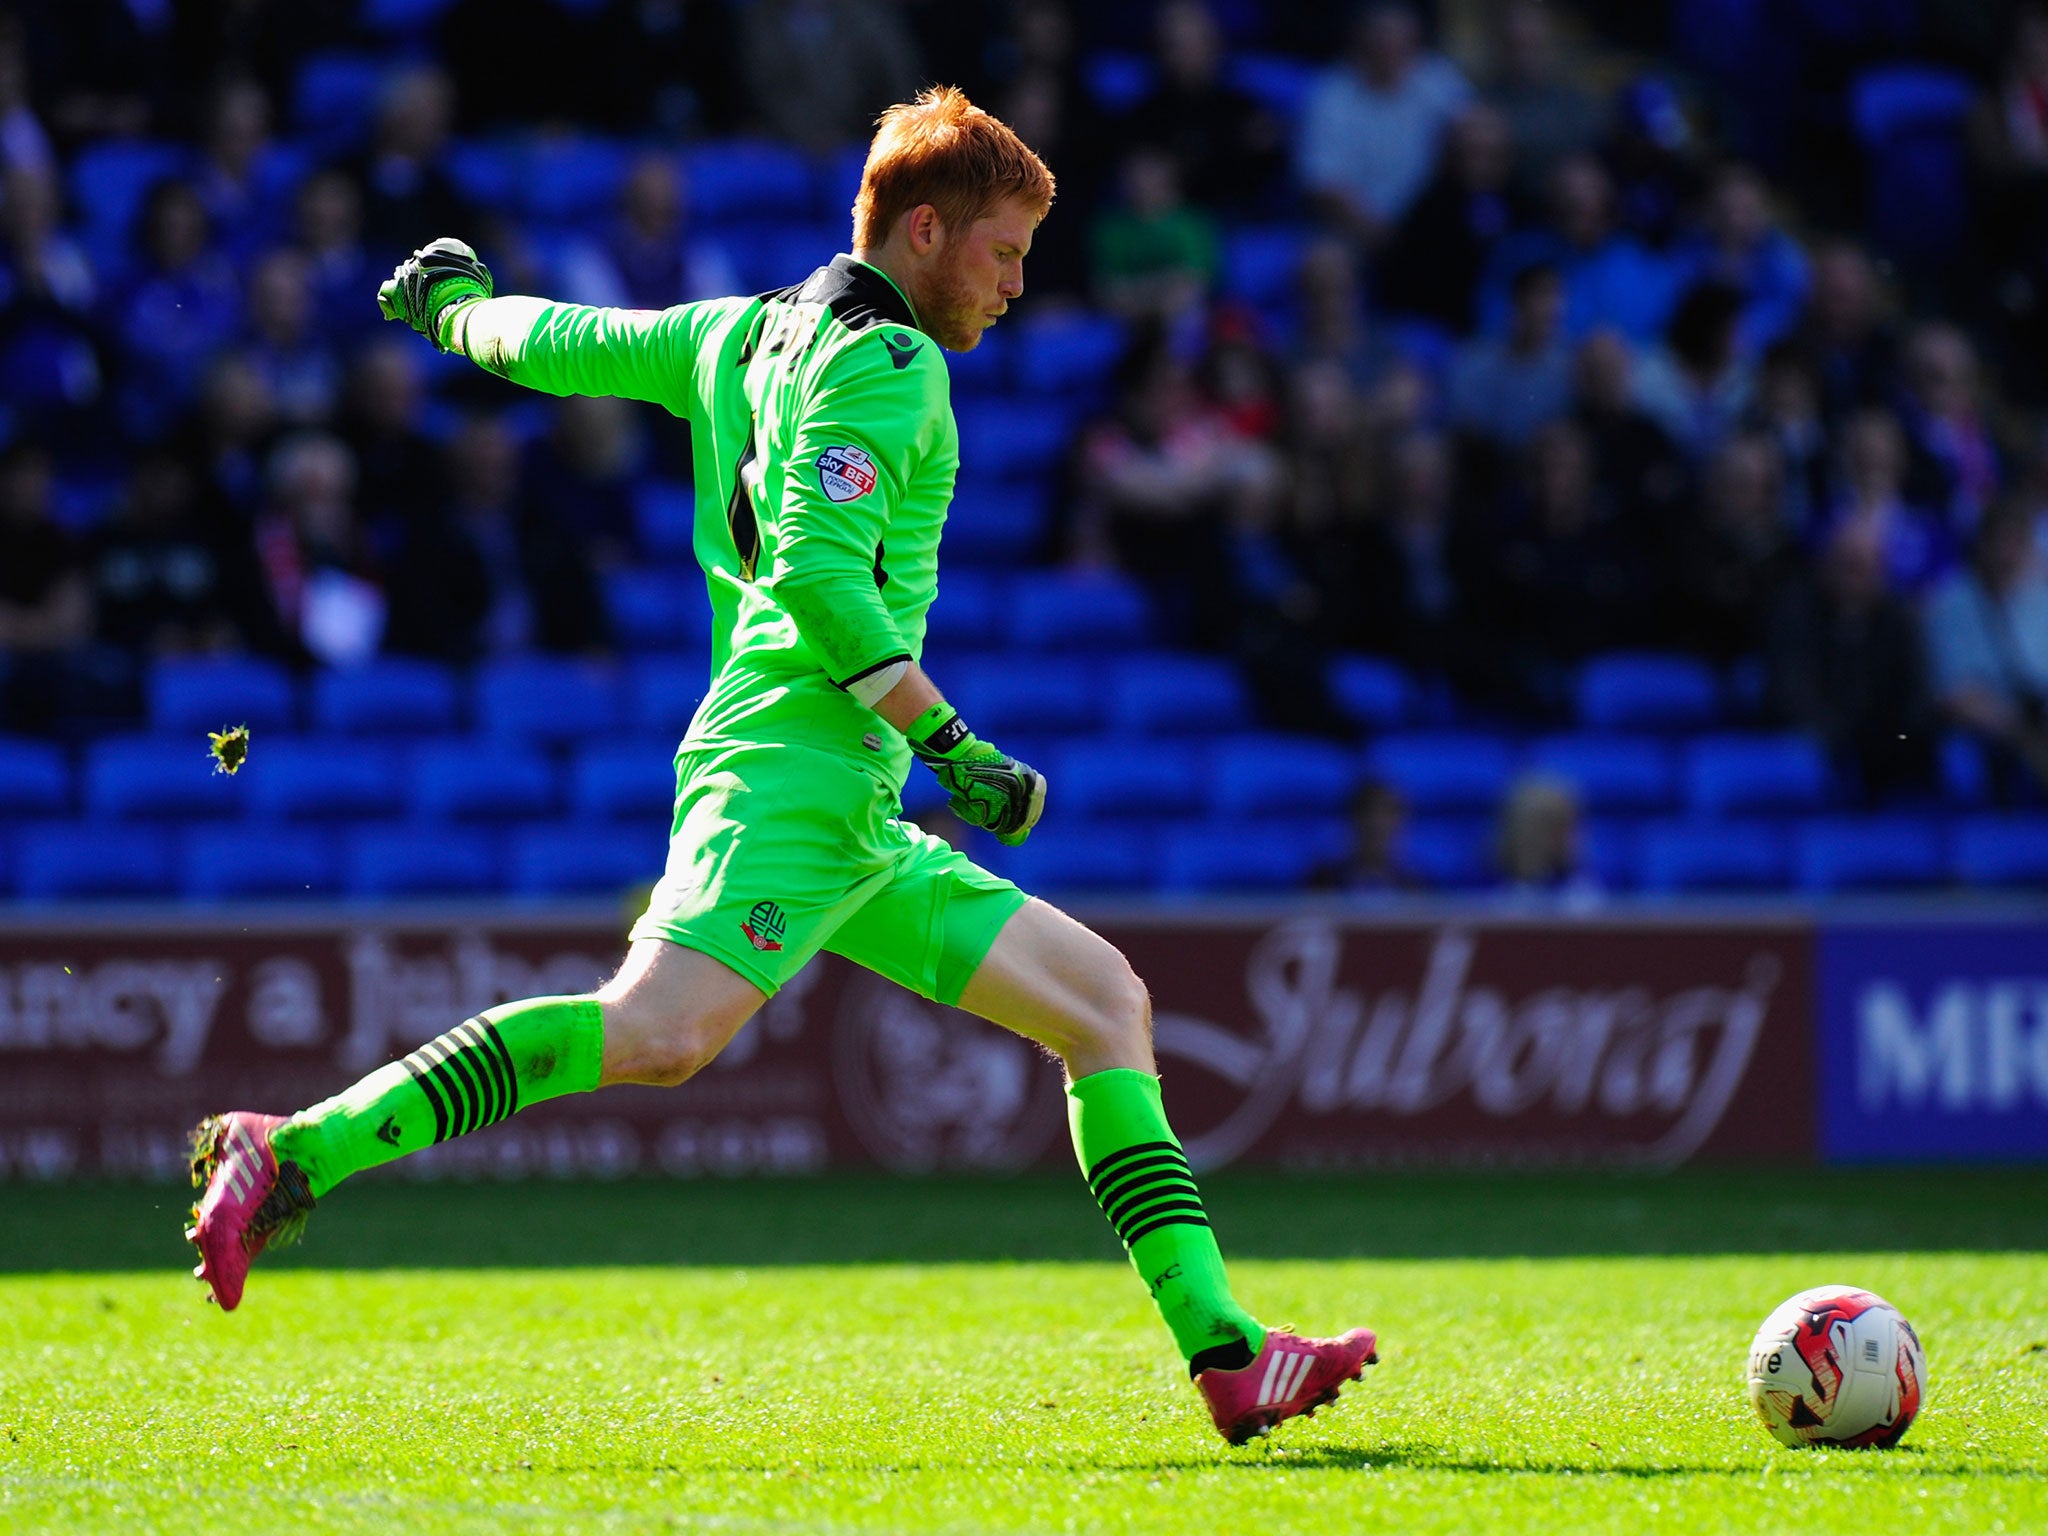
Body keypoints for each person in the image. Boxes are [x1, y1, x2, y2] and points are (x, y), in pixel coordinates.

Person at [185, 86, 1376, 1448]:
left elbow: (567, 343)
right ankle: (298, 1149)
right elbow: (816, 567)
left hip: (841, 797)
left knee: (1104, 1004)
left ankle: (1227, 1353)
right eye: (1002, 252)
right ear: (924, 232)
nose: (1018, 284)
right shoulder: (893, 366)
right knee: (654, 1035)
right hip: (798, 772)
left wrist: (457, 309)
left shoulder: (738, 331)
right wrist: (952, 740)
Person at [1922, 500, 2048, 798]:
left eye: (2018, 542)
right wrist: (2023, 733)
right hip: (1980, 734)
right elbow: (1955, 696)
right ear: (1982, 544)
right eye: (2001, 541)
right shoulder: (1949, 605)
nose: (2008, 553)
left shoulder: (2041, 602)